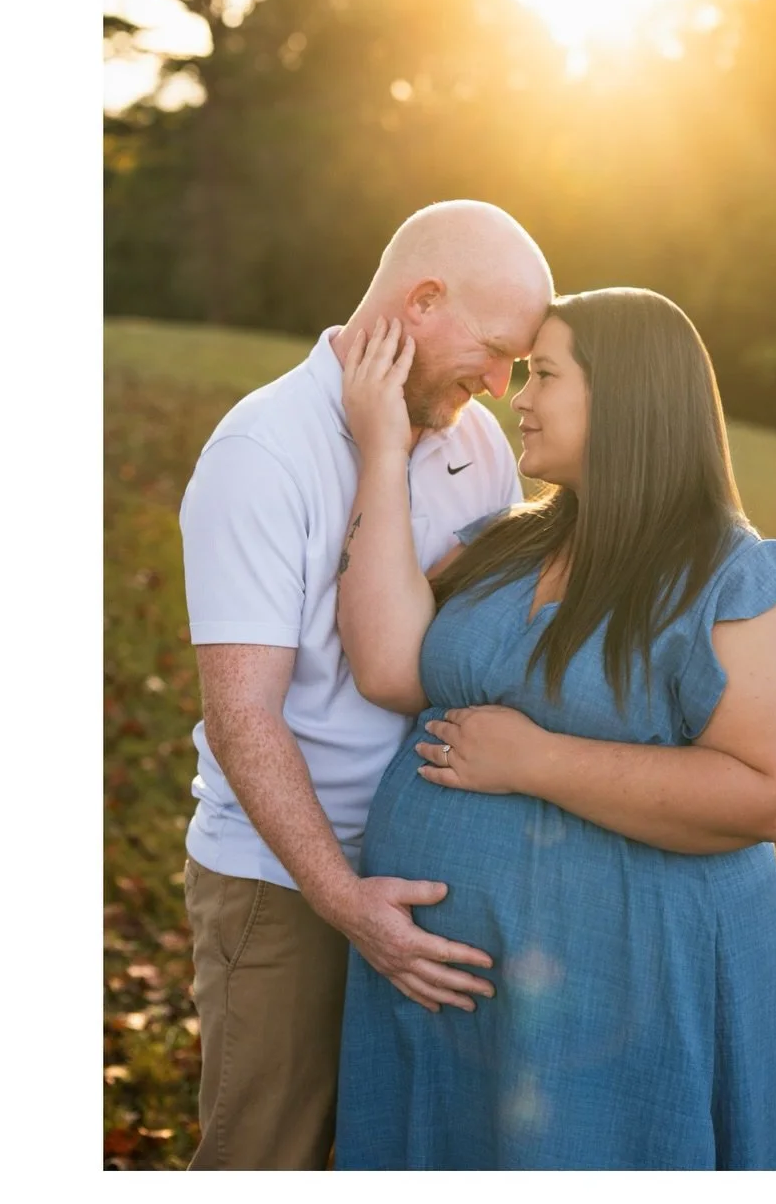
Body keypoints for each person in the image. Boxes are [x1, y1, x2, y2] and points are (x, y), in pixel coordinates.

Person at [332, 287, 776, 1170]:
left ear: (628, 398)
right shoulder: (510, 543)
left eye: (545, 375)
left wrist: (538, 761)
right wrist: (383, 452)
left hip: (625, 991)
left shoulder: (732, 579)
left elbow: (768, 793)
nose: (518, 397)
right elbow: (386, 665)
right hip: (455, 989)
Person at [176, 200, 553, 1170]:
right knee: (269, 1157)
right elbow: (242, 713)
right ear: (423, 300)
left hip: (434, 875)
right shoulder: (264, 451)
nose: (503, 384)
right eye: (496, 349)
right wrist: (344, 899)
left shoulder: (479, 446)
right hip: (290, 883)